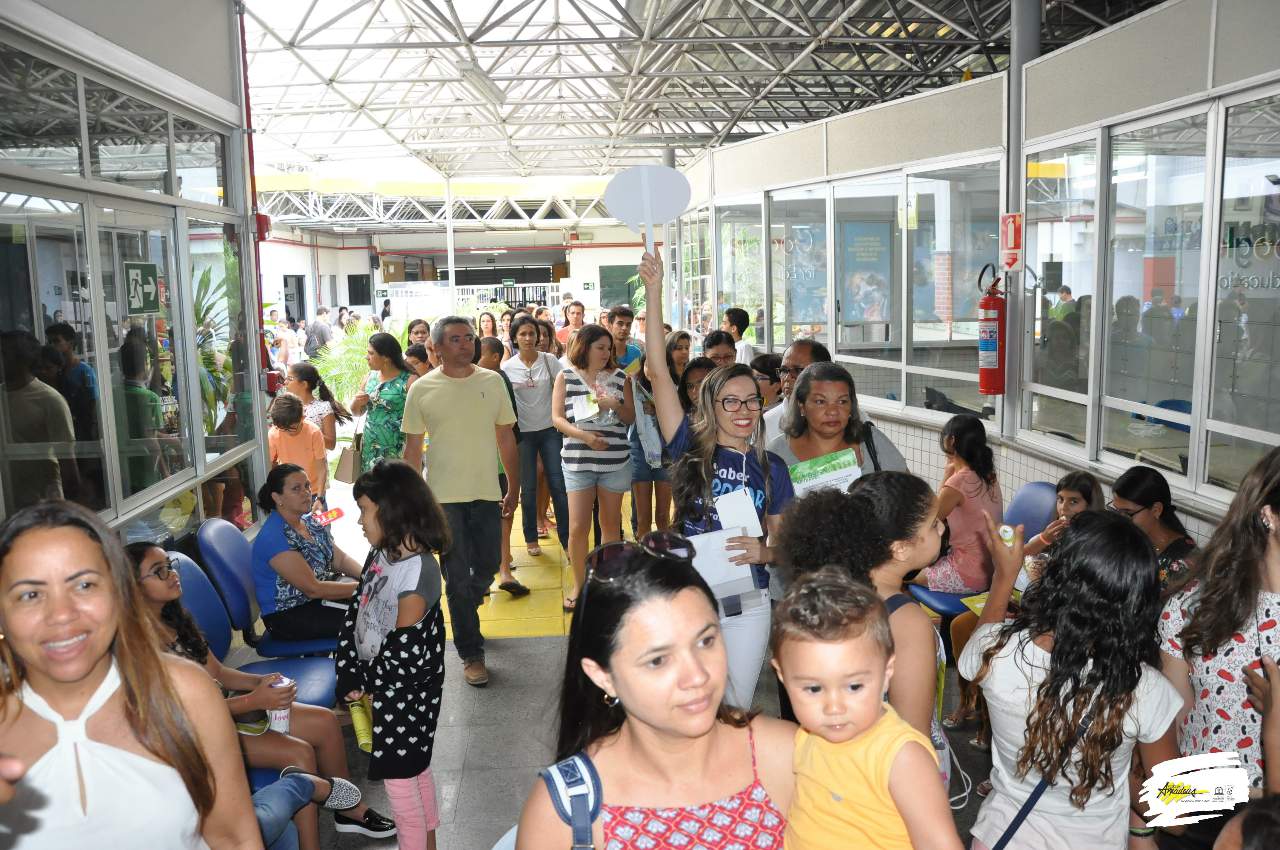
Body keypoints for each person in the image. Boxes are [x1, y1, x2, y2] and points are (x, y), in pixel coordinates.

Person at [0, 501, 259, 847]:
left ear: (119, 593)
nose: (61, 614)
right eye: (30, 594)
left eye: (84, 585)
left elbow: (234, 838)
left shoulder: (183, 691)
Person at [515, 539, 796, 849]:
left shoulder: (788, 757)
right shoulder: (565, 812)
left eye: (705, 641)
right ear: (603, 676)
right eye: (658, 660)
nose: (698, 676)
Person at [127, 543, 393, 846]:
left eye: (169, 566)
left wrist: (261, 682)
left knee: (325, 722)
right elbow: (182, 718)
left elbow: (219, 673)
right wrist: (253, 701)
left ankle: (347, 811)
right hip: (197, 738)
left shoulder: (173, 619)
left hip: (230, 710)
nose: (172, 574)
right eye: (159, 571)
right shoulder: (137, 648)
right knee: (299, 753)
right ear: (132, 587)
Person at [961, 510, 1181, 850]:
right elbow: (1177, 815)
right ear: (1140, 600)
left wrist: (1004, 576)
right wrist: (1115, 773)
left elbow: (983, 637)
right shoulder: (1147, 689)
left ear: (1057, 576)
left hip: (1000, 838)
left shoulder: (996, 651)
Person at [639, 250, 794, 708]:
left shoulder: (773, 467)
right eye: (730, 401)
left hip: (748, 602)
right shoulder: (688, 444)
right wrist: (653, 290)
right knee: (692, 702)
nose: (743, 410)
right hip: (690, 595)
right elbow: (657, 372)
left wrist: (766, 552)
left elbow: (787, 543)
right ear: (710, 406)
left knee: (736, 705)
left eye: (751, 400)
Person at [775, 473, 955, 785]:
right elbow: (912, 737)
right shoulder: (906, 621)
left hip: (839, 773)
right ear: (900, 549)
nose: (942, 529)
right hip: (889, 783)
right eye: (933, 524)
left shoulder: (830, 595)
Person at [771, 567, 963, 850]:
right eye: (813, 689)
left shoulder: (902, 757)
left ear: (887, 671)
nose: (834, 707)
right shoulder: (806, 737)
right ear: (782, 676)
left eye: (853, 686)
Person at [1160, 446, 1280, 847]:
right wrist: (1152, 814)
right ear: (1268, 514)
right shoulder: (1194, 606)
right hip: (1198, 803)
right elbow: (1174, 723)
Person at [402, 317, 519, 688]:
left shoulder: (492, 381)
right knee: (455, 578)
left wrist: (515, 485)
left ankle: (469, 600)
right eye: (455, 339)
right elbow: (412, 449)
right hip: (443, 499)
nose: (466, 344)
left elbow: (506, 437)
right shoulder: (421, 389)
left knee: (488, 565)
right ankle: (471, 652)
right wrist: (412, 500)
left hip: (487, 492)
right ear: (436, 348)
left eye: (469, 337)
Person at [339, 461, 450, 850]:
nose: (359, 521)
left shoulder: (418, 574)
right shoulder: (382, 553)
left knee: (403, 791)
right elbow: (357, 612)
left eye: (364, 511)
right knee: (415, 775)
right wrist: (349, 672)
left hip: (404, 699)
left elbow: (402, 658)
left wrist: (366, 683)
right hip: (382, 690)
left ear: (391, 511)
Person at [551, 324, 635, 611]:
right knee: (577, 528)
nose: (606, 353)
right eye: (600, 347)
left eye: (608, 348)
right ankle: (579, 585)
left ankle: (607, 585)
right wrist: (585, 437)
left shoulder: (621, 378)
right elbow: (557, 419)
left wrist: (614, 404)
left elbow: (630, 418)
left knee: (610, 525)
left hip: (615, 461)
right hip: (578, 461)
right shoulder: (566, 376)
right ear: (584, 347)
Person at [250, 463, 364, 641]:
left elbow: (340, 559)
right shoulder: (275, 537)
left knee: (377, 607)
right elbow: (313, 589)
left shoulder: (309, 522)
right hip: (290, 615)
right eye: (296, 489)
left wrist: (367, 576)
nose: (306, 493)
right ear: (277, 498)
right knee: (368, 620)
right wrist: (366, 588)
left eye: (307, 486)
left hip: (317, 599)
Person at [502, 315, 570, 556]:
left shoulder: (550, 361)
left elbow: (566, 388)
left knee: (558, 485)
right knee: (528, 488)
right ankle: (531, 538)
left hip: (551, 430)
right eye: (523, 334)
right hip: (523, 434)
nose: (528, 338)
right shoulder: (507, 368)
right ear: (514, 338)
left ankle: (567, 540)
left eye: (532, 333)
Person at [913, 413, 1003, 594]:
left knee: (902, 573)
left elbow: (929, 520)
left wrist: (947, 477)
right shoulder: (988, 475)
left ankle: (908, 612)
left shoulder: (957, 483)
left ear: (951, 441)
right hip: (993, 568)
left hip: (969, 574)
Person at [767, 361, 908, 476]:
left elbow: (910, 493)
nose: (833, 411)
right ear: (802, 406)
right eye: (820, 402)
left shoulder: (871, 440)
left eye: (842, 401)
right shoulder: (776, 452)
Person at [0, 330, 78, 510]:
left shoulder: (50, 400)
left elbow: (67, 462)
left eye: (4, 354)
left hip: (41, 505)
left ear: (23, 360)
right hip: (6, 504)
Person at [478, 337, 530, 597]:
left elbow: (508, 425)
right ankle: (495, 569)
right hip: (482, 460)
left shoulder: (496, 379)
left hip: (497, 459)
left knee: (501, 514)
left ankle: (502, 568)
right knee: (490, 516)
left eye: (480, 354)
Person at [1112, 465, 1198, 594]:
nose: (1119, 520)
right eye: (1116, 511)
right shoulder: (1132, 539)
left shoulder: (1182, 562)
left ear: (1156, 510)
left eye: (1127, 513)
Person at [349, 332, 411, 472]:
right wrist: (357, 402)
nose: (367, 357)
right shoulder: (369, 377)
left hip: (397, 448)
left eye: (371, 353)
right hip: (370, 448)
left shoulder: (408, 381)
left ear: (386, 357)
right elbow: (357, 412)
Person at [631, 353, 671, 536]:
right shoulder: (632, 386)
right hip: (639, 452)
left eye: (659, 365)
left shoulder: (673, 389)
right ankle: (644, 551)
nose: (652, 370)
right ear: (642, 366)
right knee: (643, 519)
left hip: (666, 454)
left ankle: (664, 550)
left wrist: (658, 410)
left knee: (663, 516)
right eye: (648, 365)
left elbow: (679, 423)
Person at [763, 338, 832, 442]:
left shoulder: (842, 418)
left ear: (824, 374)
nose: (787, 378)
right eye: (784, 370)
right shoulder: (767, 423)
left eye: (798, 370)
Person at [268, 393, 327, 507]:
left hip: (313, 491)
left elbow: (321, 468)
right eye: (283, 429)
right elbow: (270, 466)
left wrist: (320, 497)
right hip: (289, 492)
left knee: (319, 517)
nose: (287, 432)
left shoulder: (314, 432)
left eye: (292, 428)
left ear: (303, 417)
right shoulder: (274, 434)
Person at [44, 322, 98, 437]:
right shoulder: (52, 370)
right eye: (49, 342)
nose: (52, 345)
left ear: (70, 343)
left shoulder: (84, 371)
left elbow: (93, 403)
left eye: (56, 341)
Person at [284, 363, 352, 452]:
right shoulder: (285, 406)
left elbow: (331, 444)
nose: (285, 382)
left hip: (314, 460)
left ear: (304, 384)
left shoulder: (323, 408)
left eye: (290, 379)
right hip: (288, 458)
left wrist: (304, 430)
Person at [604, 305, 642, 370]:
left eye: (628, 324)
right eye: (620, 324)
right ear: (610, 325)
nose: (624, 328)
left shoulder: (636, 352)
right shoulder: (603, 352)